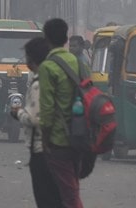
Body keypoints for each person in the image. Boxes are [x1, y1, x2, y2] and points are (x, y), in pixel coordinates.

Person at [38, 18, 86, 208]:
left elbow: (47, 109)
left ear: (46, 39)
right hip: (81, 134)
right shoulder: (77, 62)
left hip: (59, 139)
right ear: (66, 38)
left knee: (67, 191)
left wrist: (44, 140)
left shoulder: (48, 67)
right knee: (71, 184)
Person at [12, 36, 62, 208]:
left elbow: (35, 118)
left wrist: (19, 113)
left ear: (31, 59)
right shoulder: (58, 77)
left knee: (45, 199)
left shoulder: (39, 83)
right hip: (61, 146)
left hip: (42, 150)